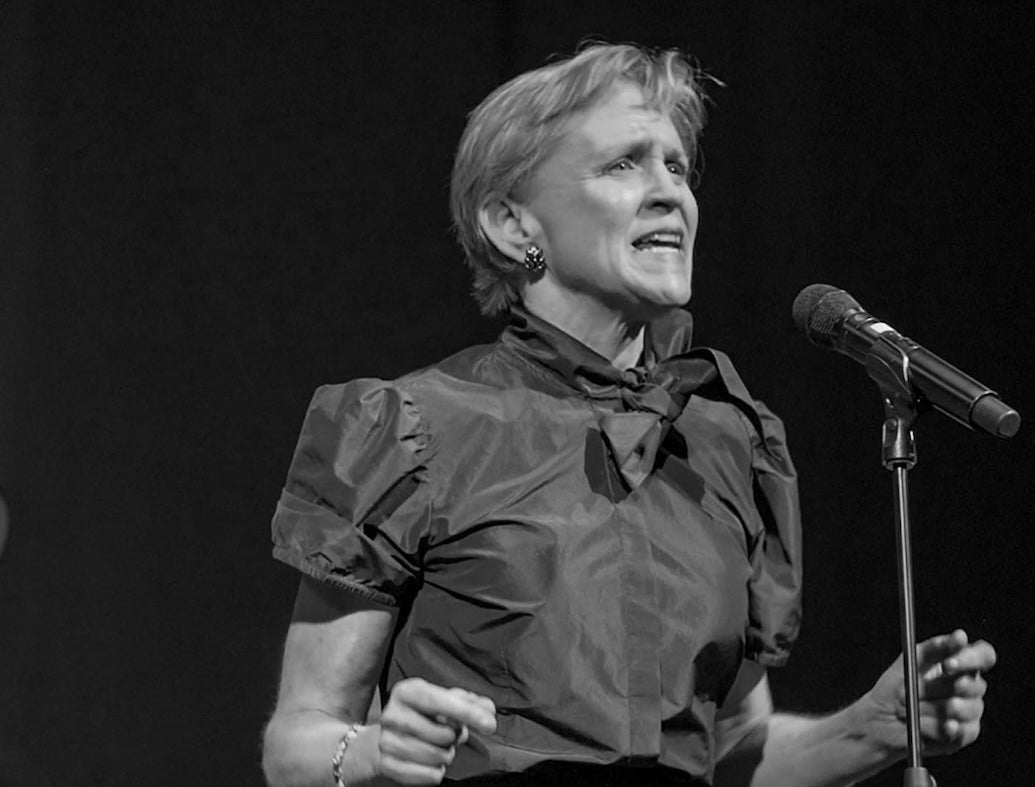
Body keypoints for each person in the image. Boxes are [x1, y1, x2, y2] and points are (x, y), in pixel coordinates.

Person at [261, 43, 996, 787]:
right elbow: (296, 743)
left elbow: (732, 749)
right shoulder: (413, 428)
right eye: (623, 164)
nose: (669, 192)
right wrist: (375, 753)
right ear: (513, 225)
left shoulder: (724, 441)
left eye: (676, 167)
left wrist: (872, 729)